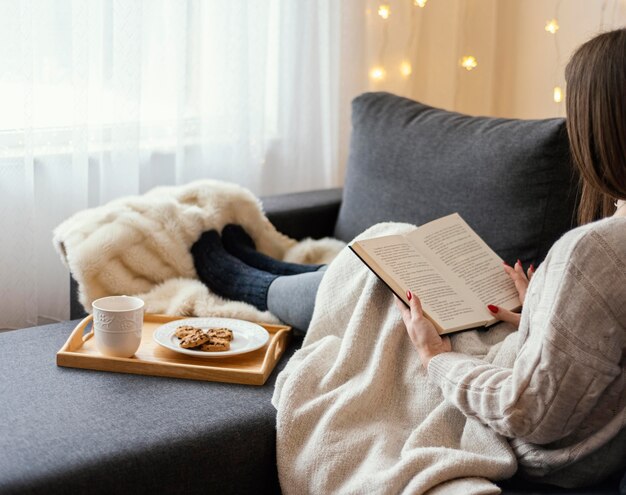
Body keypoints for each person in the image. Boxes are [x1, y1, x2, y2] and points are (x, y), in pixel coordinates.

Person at [192, 28, 626, 486]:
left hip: (531, 439)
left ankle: (251, 283)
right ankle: (276, 273)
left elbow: (528, 413)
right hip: (561, 416)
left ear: (600, 127)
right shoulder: (601, 251)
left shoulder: (594, 252)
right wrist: (541, 313)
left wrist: (433, 355)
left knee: (386, 278)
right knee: (396, 262)